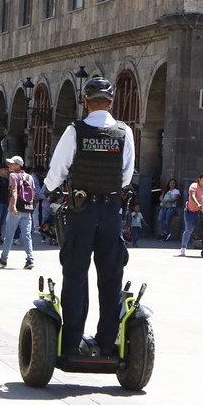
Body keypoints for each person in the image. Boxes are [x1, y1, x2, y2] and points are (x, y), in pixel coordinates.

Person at [43, 77, 135, 356]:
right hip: (109, 211)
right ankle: (106, 342)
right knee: (110, 277)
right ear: (112, 103)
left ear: (85, 101)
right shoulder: (124, 132)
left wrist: (48, 189)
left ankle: (72, 342)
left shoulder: (76, 131)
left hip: (81, 211)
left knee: (75, 274)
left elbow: (58, 169)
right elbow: (127, 174)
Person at [0, 156, 36, 269]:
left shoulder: (13, 176)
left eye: (12, 163)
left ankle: (3, 259)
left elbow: (14, 191)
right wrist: (30, 206)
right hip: (27, 209)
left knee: (9, 235)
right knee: (27, 235)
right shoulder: (29, 177)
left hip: (15, 210)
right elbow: (33, 193)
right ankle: (30, 259)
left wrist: (13, 207)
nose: (9, 165)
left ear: (18, 165)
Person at [180, 173, 203, 256]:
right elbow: (192, 196)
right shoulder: (194, 186)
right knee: (189, 229)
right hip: (191, 211)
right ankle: (183, 248)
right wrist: (197, 204)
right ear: (199, 179)